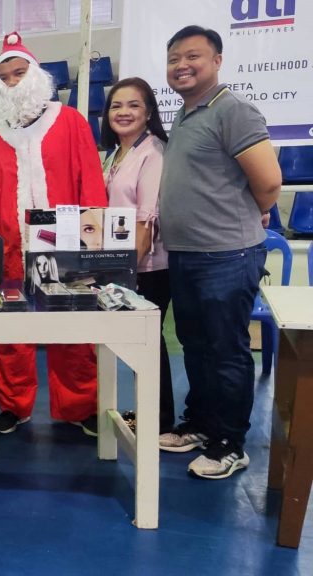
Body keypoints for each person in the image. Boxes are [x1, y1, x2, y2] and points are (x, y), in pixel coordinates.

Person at [0, 32, 107, 435]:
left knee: (74, 332)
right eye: (4, 77)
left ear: (35, 75)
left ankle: (81, 406)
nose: (12, 82)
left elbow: (91, 185)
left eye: (19, 73)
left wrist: (90, 243)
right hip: (10, 249)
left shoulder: (71, 123)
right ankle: (14, 405)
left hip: (66, 248)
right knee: (11, 333)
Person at [157, 26, 280, 479]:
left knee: (227, 351)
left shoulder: (234, 111)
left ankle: (230, 442)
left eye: (193, 56)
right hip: (187, 255)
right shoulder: (186, 114)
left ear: (217, 61)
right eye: (173, 59)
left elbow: (268, 184)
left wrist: (247, 218)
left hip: (228, 256)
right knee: (196, 346)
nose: (181, 65)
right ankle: (201, 424)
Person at [99, 77, 174, 434]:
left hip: (148, 267)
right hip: (121, 265)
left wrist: (130, 273)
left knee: (148, 343)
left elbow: (146, 220)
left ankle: (158, 420)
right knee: (139, 344)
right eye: (116, 105)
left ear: (148, 114)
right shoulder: (116, 154)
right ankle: (151, 414)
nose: (124, 112)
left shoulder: (153, 151)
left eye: (133, 105)